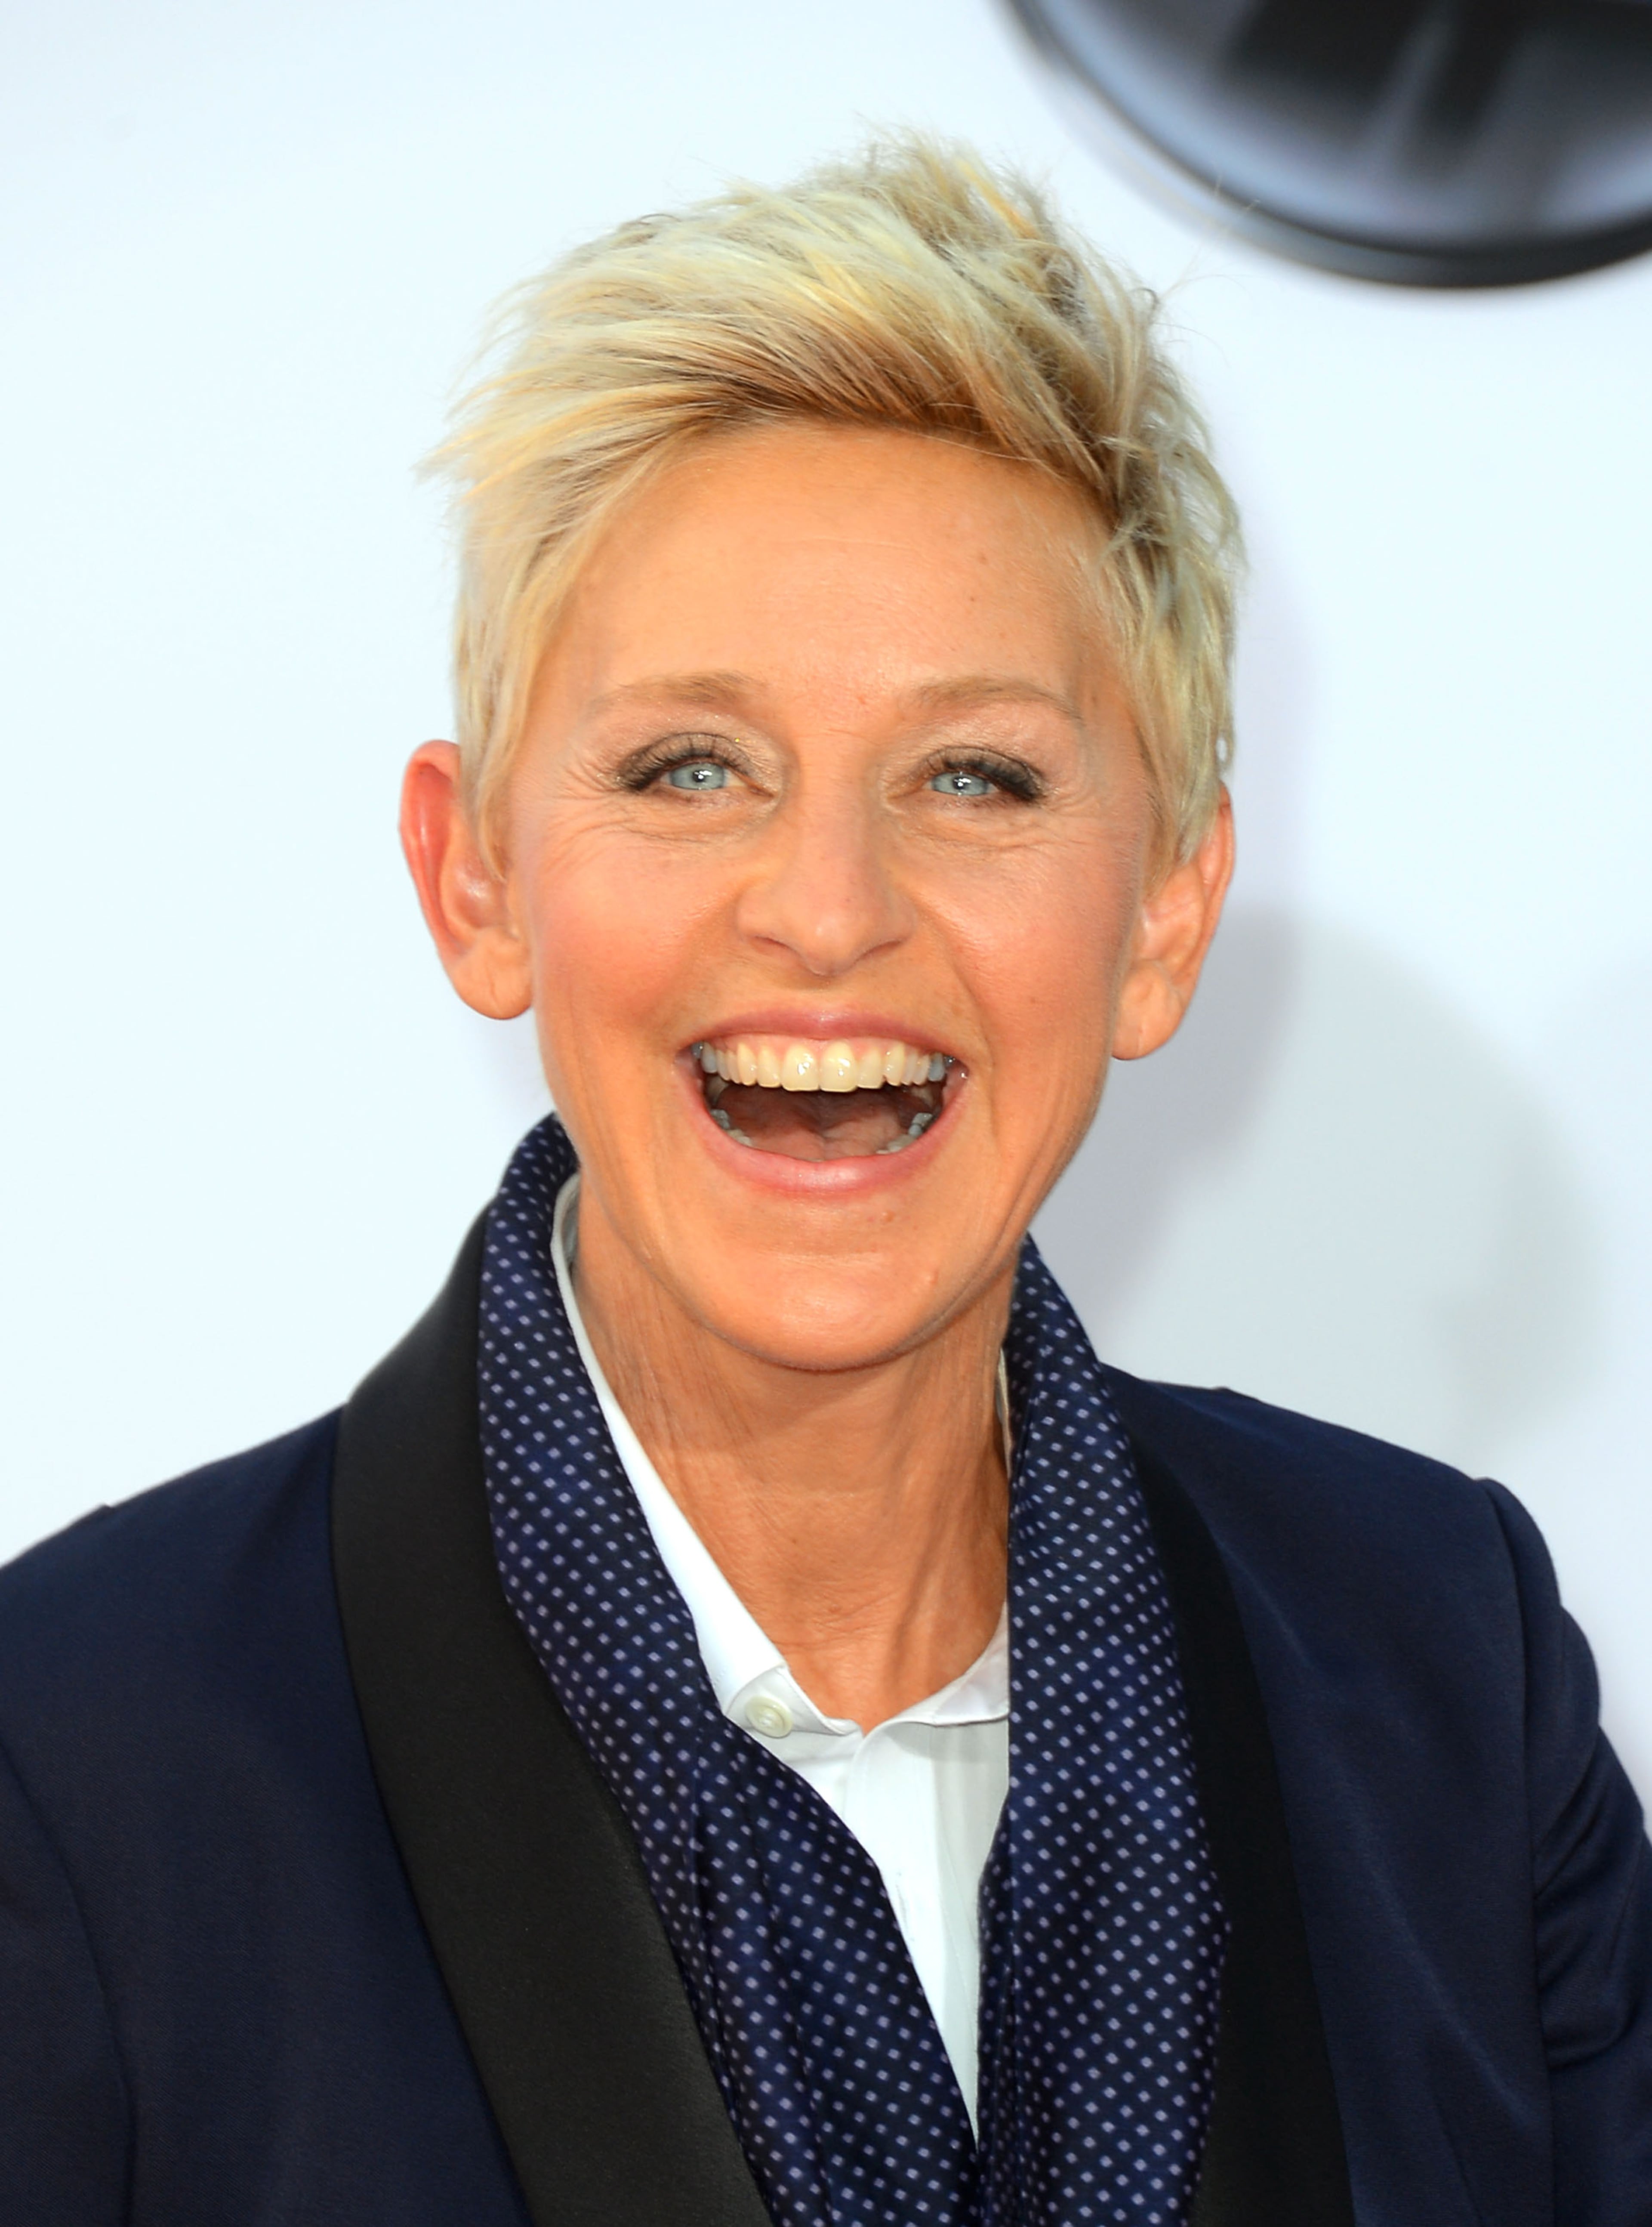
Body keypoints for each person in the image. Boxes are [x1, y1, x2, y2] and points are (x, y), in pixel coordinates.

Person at [0, 135, 1646, 2227]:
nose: (827, 907)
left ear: (1163, 913)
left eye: (979, 776)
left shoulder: (1441, 1666)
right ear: (476, 875)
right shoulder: (75, 1757)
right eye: (693, 766)